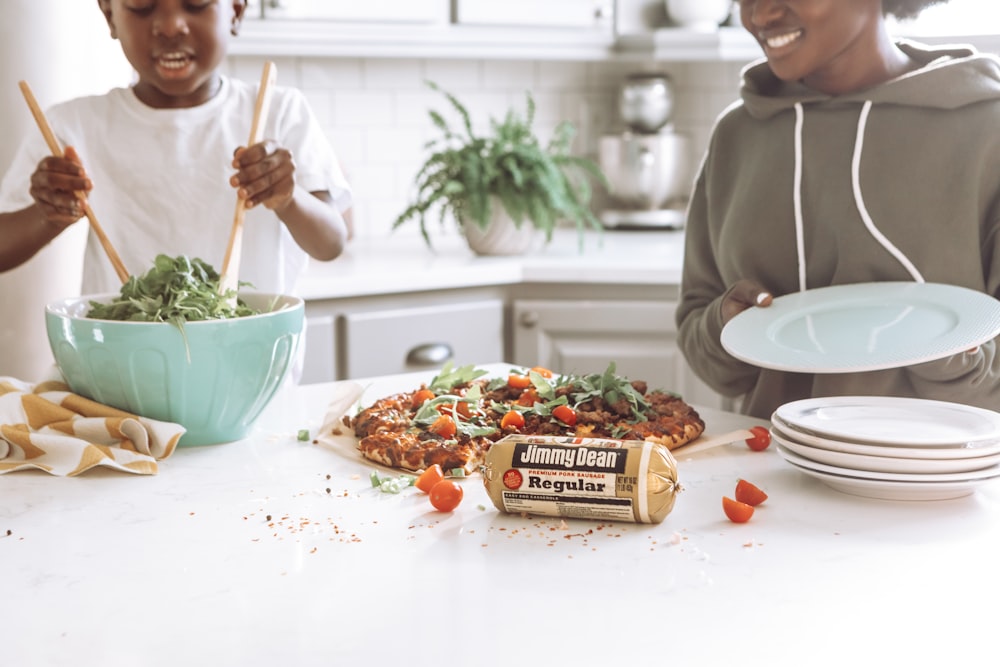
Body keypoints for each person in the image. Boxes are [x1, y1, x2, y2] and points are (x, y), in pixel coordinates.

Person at [676, 0, 1000, 418]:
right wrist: (726, 323)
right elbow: (707, 348)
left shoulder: (987, 129)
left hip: (938, 473)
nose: (760, 14)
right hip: (769, 468)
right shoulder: (737, 135)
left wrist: (945, 351)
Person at [0, 0, 352, 298]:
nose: (170, 27)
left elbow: (331, 242)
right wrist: (47, 215)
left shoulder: (277, 111)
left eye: (196, 3)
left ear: (237, 10)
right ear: (109, 14)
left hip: (252, 367)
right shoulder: (73, 125)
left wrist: (288, 198)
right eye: (143, 6)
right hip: (122, 368)